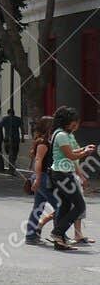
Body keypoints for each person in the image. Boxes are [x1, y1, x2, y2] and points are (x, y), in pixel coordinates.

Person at [47, 106, 95, 250]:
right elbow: (70, 156)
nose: (76, 125)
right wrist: (85, 153)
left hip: (61, 173)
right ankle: (57, 232)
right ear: (66, 122)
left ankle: (60, 241)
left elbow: (69, 152)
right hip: (62, 174)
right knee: (80, 205)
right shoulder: (61, 135)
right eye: (73, 122)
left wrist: (83, 148)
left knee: (66, 205)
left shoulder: (62, 134)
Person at [26, 115, 56, 245]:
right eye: (53, 125)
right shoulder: (43, 143)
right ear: (48, 127)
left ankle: (31, 235)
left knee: (38, 207)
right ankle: (59, 234)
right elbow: (38, 160)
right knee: (60, 206)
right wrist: (37, 179)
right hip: (42, 177)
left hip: (41, 177)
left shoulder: (42, 141)